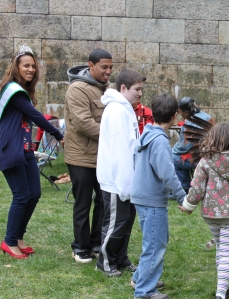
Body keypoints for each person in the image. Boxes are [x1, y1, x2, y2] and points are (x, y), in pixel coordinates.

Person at [0, 45, 64, 259]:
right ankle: (9, 242)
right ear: (16, 67)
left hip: (25, 150)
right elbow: (36, 116)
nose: (31, 69)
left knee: (34, 194)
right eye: (26, 65)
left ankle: (18, 237)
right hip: (11, 149)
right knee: (21, 195)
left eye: (33, 66)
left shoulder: (23, 91)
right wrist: (59, 134)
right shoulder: (13, 90)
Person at [180, 123, 229, 299]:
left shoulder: (206, 161)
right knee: (226, 253)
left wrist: (188, 206)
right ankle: (221, 294)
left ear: (212, 139)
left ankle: (223, 289)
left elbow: (197, 187)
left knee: (221, 249)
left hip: (211, 214)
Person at [131, 93, 186, 299]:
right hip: (152, 199)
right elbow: (168, 174)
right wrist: (182, 197)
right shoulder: (161, 141)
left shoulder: (147, 134)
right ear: (174, 116)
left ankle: (140, 278)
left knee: (152, 240)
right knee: (155, 244)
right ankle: (144, 290)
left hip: (142, 195)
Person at [64, 48, 113, 263]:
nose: (108, 71)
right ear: (90, 65)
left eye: (111, 67)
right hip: (81, 158)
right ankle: (80, 247)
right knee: (82, 203)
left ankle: (95, 243)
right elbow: (84, 124)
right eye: (104, 67)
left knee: (103, 202)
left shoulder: (108, 89)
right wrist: (113, 136)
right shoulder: (77, 89)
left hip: (101, 157)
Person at [95, 69, 145, 277]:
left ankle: (121, 259)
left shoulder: (126, 109)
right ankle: (105, 261)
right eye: (137, 89)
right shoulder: (116, 111)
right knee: (115, 223)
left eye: (142, 89)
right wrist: (125, 185)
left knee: (126, 222)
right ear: (123, 88)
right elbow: (119, 151)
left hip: (126, 180)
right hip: (117, 181)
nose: (140, 94)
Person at [172, 97, 214, 193]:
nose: (180, 114)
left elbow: (183, 147)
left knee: (173, 158)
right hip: (211, 155)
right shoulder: (208, 117)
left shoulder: (190, 123)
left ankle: (184, 186)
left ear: (186, 113)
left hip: (199, 158)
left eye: (180, 111)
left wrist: (172, 150)